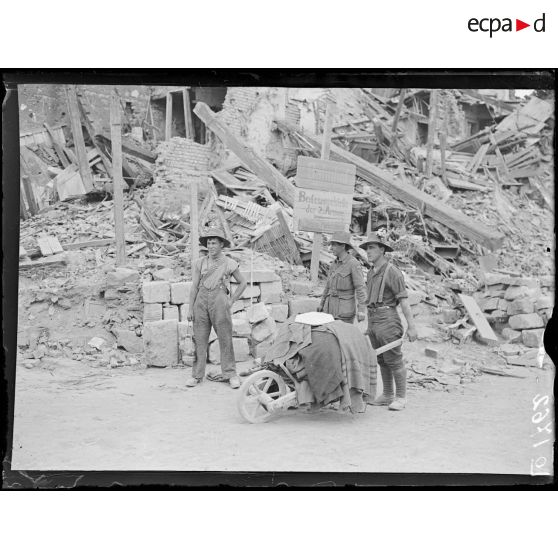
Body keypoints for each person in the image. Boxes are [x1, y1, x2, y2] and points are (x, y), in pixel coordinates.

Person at [359, 232, 417, 411]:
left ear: (382, 250)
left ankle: (401, 397)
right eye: (367, 248)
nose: (368, 252)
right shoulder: (370, 272)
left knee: (394, 359)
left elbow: (404, 301)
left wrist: (411, 327)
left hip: (388, 319)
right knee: (381, 359)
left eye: (372, 248)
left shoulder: (393, 272)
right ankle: (387, 395)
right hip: (374, 319)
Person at [186, 228, 247, 389]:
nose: (211, 246)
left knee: (225, 338)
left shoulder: (229, 263)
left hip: (220, 301)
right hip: (201, 301)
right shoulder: (200, 262)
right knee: (199, 339)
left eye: (214, 243)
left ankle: (231, 374)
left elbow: (243, 282)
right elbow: (194, 286)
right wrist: (190, 309)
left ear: (221, 245)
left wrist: (232, 300)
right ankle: (197, 375)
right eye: (208, 243)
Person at [317, 231, 367, 324]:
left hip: (344, 311)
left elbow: (360, 288)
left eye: (334, 245)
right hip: (330, 309)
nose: (331, 248)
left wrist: (361, 310)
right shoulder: (333, 264)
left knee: (344, 336)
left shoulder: (353, 264)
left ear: (343, 246)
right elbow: (328, 286)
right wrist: (322, 304)